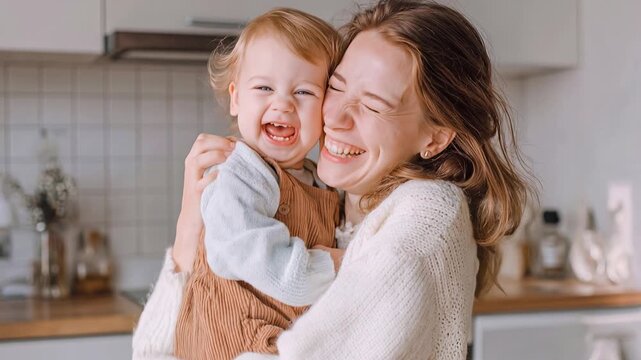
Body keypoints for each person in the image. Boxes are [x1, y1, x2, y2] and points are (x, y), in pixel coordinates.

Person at [132, 0, 531, 359]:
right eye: (336, 88)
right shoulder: (343, 198)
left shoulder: (427, 213)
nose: (335, 117)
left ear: (436, 136)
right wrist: (189, 232)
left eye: (373, 105)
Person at [169, 8, 345, 360]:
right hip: (235, 346)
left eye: (305, 92)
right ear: (236, 99)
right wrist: (339, 265)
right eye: (264, 87)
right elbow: (262, 260)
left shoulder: (319, 180)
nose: (282, 103)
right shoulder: (237, 175)